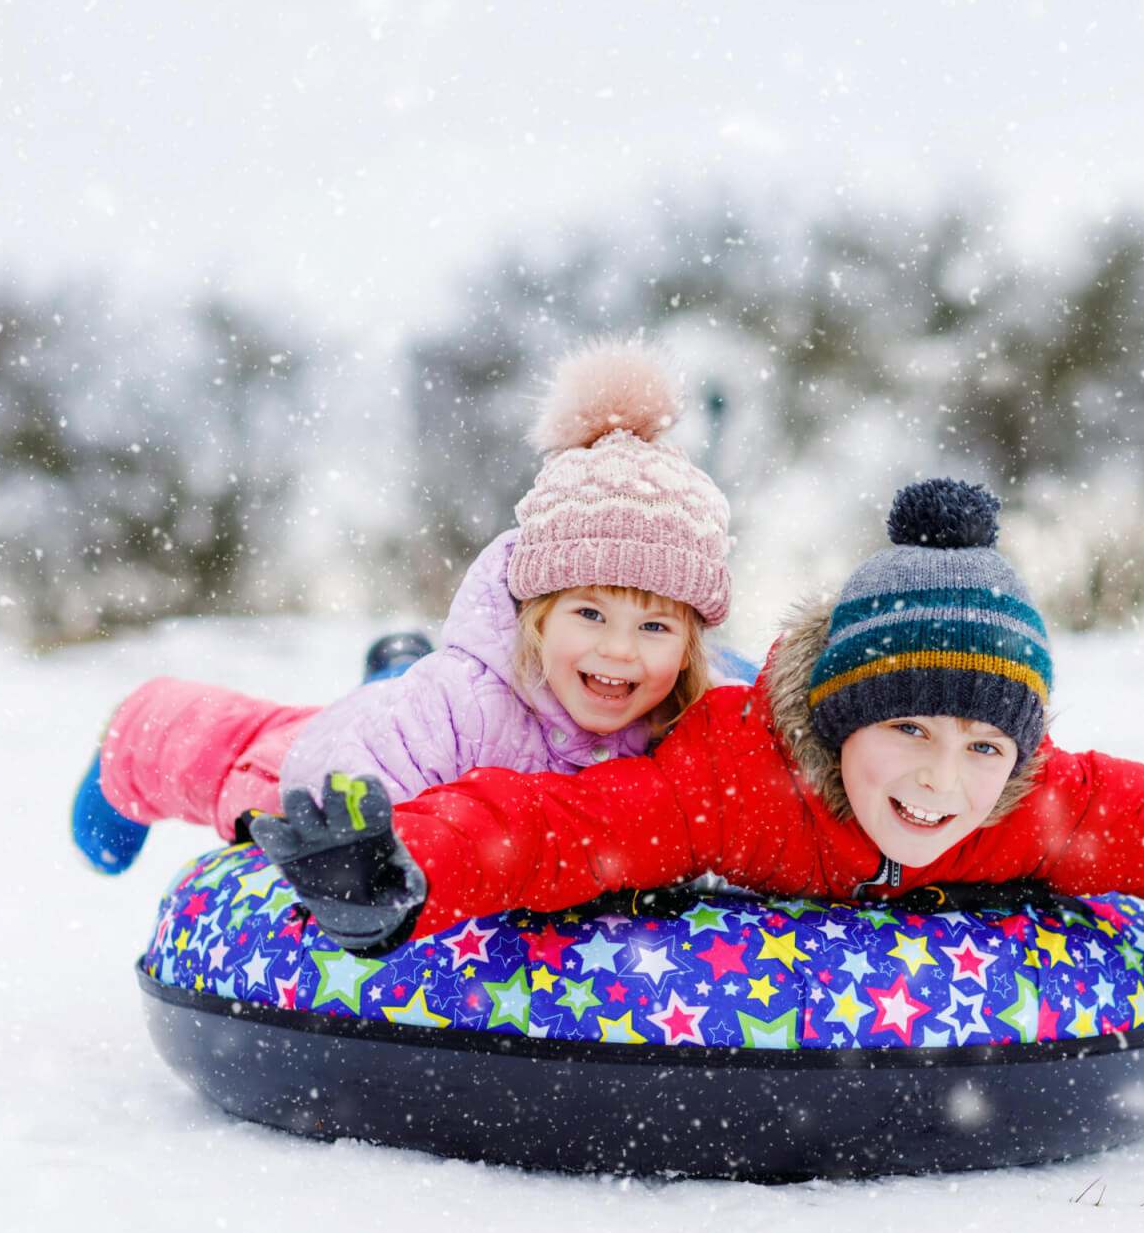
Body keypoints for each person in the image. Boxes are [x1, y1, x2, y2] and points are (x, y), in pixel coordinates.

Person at [252, 478, 1144, 957]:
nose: (941, 783)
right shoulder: (731, 779)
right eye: (907, 732)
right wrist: (402, 877)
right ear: (838, 722)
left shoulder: (1033, 805)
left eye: (985, 742)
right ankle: (399, 657)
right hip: (638, 732)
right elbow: (546, 821)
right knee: (524, 735)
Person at [71, 340, 734, 898]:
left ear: (689, 646)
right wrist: (361, 854)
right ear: (535, 616)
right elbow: (347, 785)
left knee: (396, 688)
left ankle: (396, 662)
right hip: (353, 750)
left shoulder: (683, 724)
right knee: (254, 759)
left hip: (418, 716)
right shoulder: (461, 708)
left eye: (655, 627)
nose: (620, 650)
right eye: (590, 613)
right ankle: (137, 733)